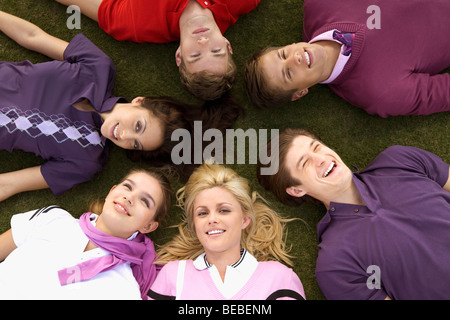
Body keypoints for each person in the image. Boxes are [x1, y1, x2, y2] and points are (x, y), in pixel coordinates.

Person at [0, 11, 236, 202]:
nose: (123, 136)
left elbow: (9, 184)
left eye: (134, 143)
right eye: (138, 125)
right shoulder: (98, 68)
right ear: (139, 102)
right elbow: (32, 36)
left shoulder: (86, 161)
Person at [257, 128, 450, 299]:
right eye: (305, 162)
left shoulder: (400, 160)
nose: (321, 158)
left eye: (316, 147)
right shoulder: (335, 266)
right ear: (297, 190)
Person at [244, 0, 450, 117]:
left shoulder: (319, 5)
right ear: (300, 93)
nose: (293, 59)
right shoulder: (379, 93)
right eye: (287, 73)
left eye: (282, 54)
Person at [0, 168, 171, 299]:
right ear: (111, 191)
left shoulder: (125, 291)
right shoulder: (52, 217)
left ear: (148, 226)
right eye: (127, 186)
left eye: (144, 201)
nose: (129, 197)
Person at [148, 162, 305, 300]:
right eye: (202, 213)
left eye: (223, 210)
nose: (212, 219)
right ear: (195, 225)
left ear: (244, 220)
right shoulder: (173, 275)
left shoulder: (279, 278)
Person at [55, 0, 262, 101]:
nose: (203, 41)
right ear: (227, 44)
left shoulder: (134, 23)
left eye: (196, 55)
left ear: (179, 56)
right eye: (216, 50)